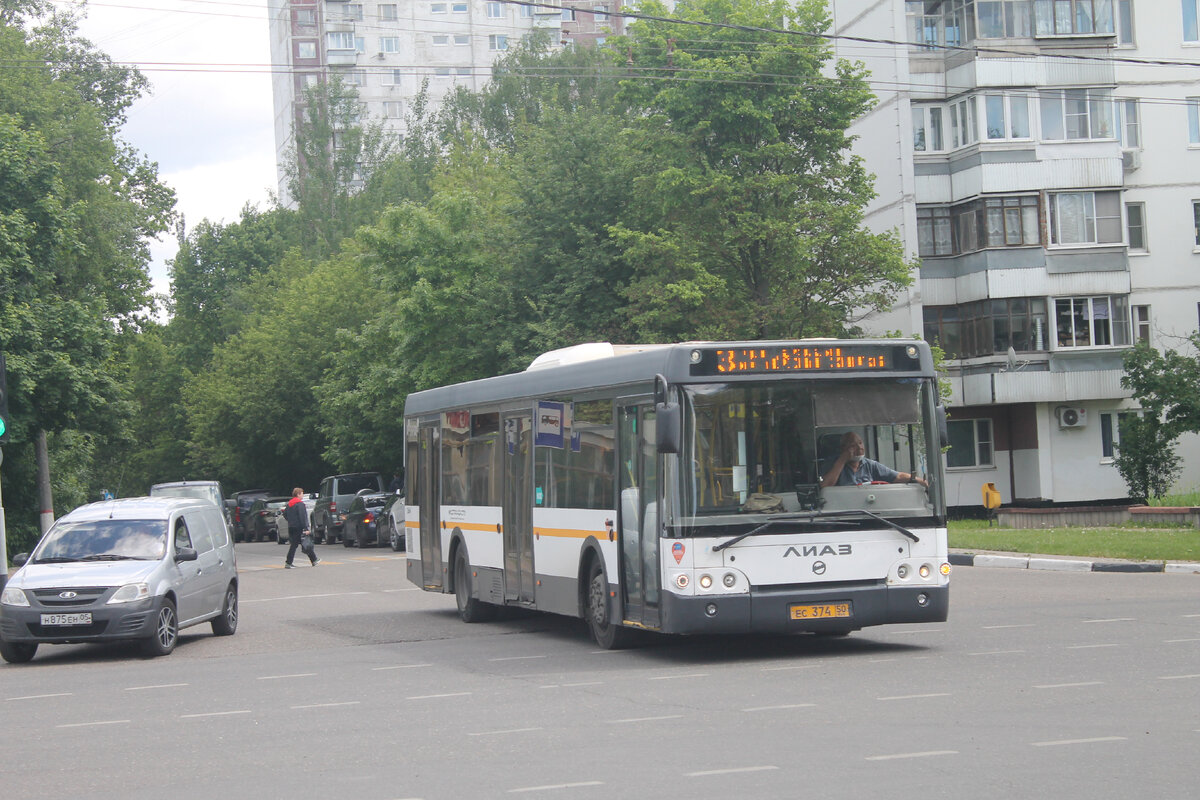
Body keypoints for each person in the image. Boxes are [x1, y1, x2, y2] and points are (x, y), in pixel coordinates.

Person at [820, 432, 928, 488]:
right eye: (853, 444)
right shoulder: (831, 464)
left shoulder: (870, 465)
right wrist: (842, 460)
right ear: (843, 448)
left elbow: (897, 476)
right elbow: (826, 486)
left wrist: (919, 480)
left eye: (860, 443)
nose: (860, 447)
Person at [283, 487, 320, 568]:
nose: (302, 495)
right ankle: (288, 563)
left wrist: (290, 520)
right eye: (302, 493)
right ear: (298, 494)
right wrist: (306, 528)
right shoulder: (300, 504)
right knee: (303, 543)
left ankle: (314, 560)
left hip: (291, 527)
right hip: (299, 527)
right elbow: (302, 517)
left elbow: (285, 514)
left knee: (301, 544)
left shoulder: (289, 504)